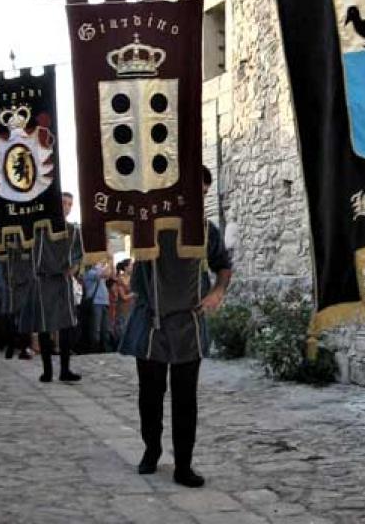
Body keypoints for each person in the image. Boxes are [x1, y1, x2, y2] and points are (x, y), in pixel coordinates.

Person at [120, 166, 232, 488]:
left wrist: (217, 292)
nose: (200, 198)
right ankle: (151, 449)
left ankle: (183, 464)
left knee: (186, 399)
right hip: (151, 321)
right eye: (196, 190)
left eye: (205, 193)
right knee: (150, 395)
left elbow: (223, 266)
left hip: (188, 323)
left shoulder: (207, 231)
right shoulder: (148, 225)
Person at [20, 191, 84, 382]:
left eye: (69, 204)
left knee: (66, 326)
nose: (66, 207)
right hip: (43, 280)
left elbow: (79, 255)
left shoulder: (73, 231)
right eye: (63, 202)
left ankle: (65, 369)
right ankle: (47, 370)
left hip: (62, 281)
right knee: (44, 327)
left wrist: (73, 268)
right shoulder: (41, 228)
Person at [83, 261, 111, 353]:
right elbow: (104, 274)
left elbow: (110, 274)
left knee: (105, 329)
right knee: (96, 329)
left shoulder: (99, 269)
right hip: (96, 302)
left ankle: (105, 349)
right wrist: (109, 261)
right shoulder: (89, 272)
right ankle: (94, 349)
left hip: (104, 302)